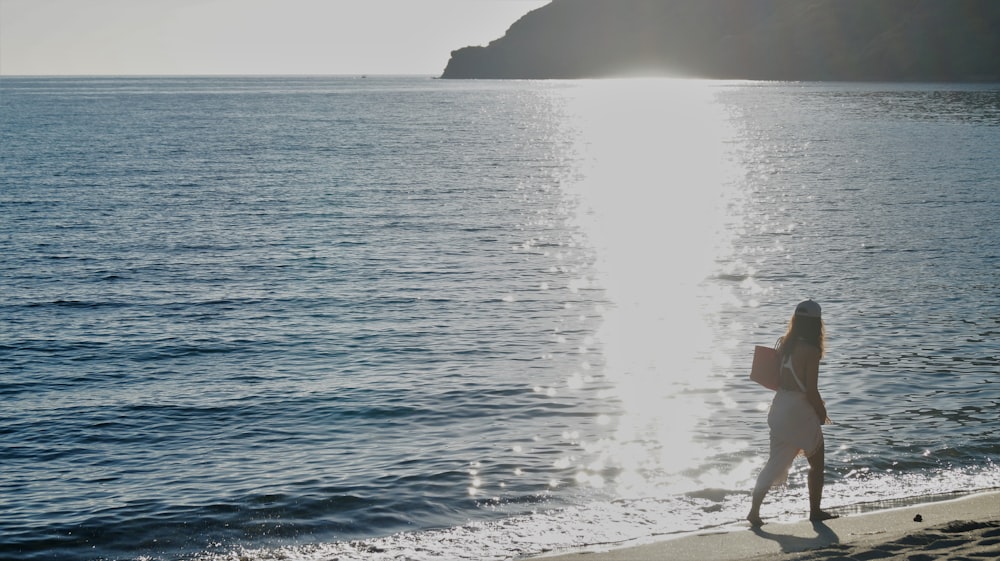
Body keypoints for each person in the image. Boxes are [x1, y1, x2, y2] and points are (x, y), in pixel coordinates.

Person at [747, 299, 837, 526]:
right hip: (799, 410)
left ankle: (754, 512)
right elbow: (810, 389)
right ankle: (815, 511)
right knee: (816, 464)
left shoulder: (784, 343)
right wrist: (822, 411)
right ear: (817, 324)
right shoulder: (811, 350)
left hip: (779, 407)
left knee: (773, 464)